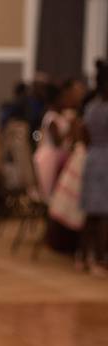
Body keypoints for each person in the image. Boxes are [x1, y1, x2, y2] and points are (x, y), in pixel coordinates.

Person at [34, 79, 85, 200]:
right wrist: (70, 129)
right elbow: (57, 142)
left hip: (58, 154)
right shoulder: (51, 118)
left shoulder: (61, 116)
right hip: (51, 156)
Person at [80, 61, 108, 275]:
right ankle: (100, 258)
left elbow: (85, 137)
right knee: (103, 214)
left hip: (92, 158)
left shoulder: (91, 107)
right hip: (105, 161)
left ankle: (83, 256)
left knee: (91, 213)